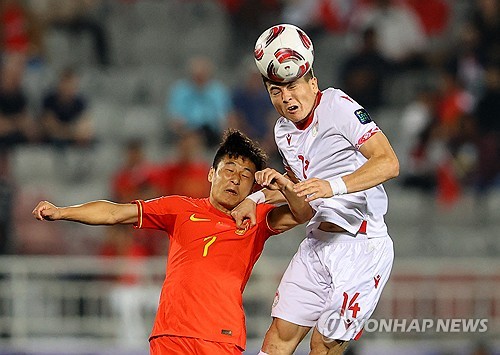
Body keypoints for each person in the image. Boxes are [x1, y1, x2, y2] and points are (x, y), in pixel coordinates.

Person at [32, 129, 313, 355]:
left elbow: (303, 213)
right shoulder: (179, 208)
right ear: (211, 174)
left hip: (222, 337)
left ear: (253, 187)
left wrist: (283, 188)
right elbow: (116, 212)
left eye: (245, 176)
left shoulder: (257, 218)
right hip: (171, 334)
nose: (235, 180)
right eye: (229, 170)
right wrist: (62, 211)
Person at [231, 25, 400, 354]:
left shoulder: (337, 105)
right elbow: (300, 189)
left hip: (361, 245)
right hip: (317, 243)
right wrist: (255, 198)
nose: (286, 98)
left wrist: (332, 187)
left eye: (292, 85)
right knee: (278, 337)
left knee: (324, 341)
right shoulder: (283, 132)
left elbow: (388, 162)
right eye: (276, 91)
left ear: (312, 82)